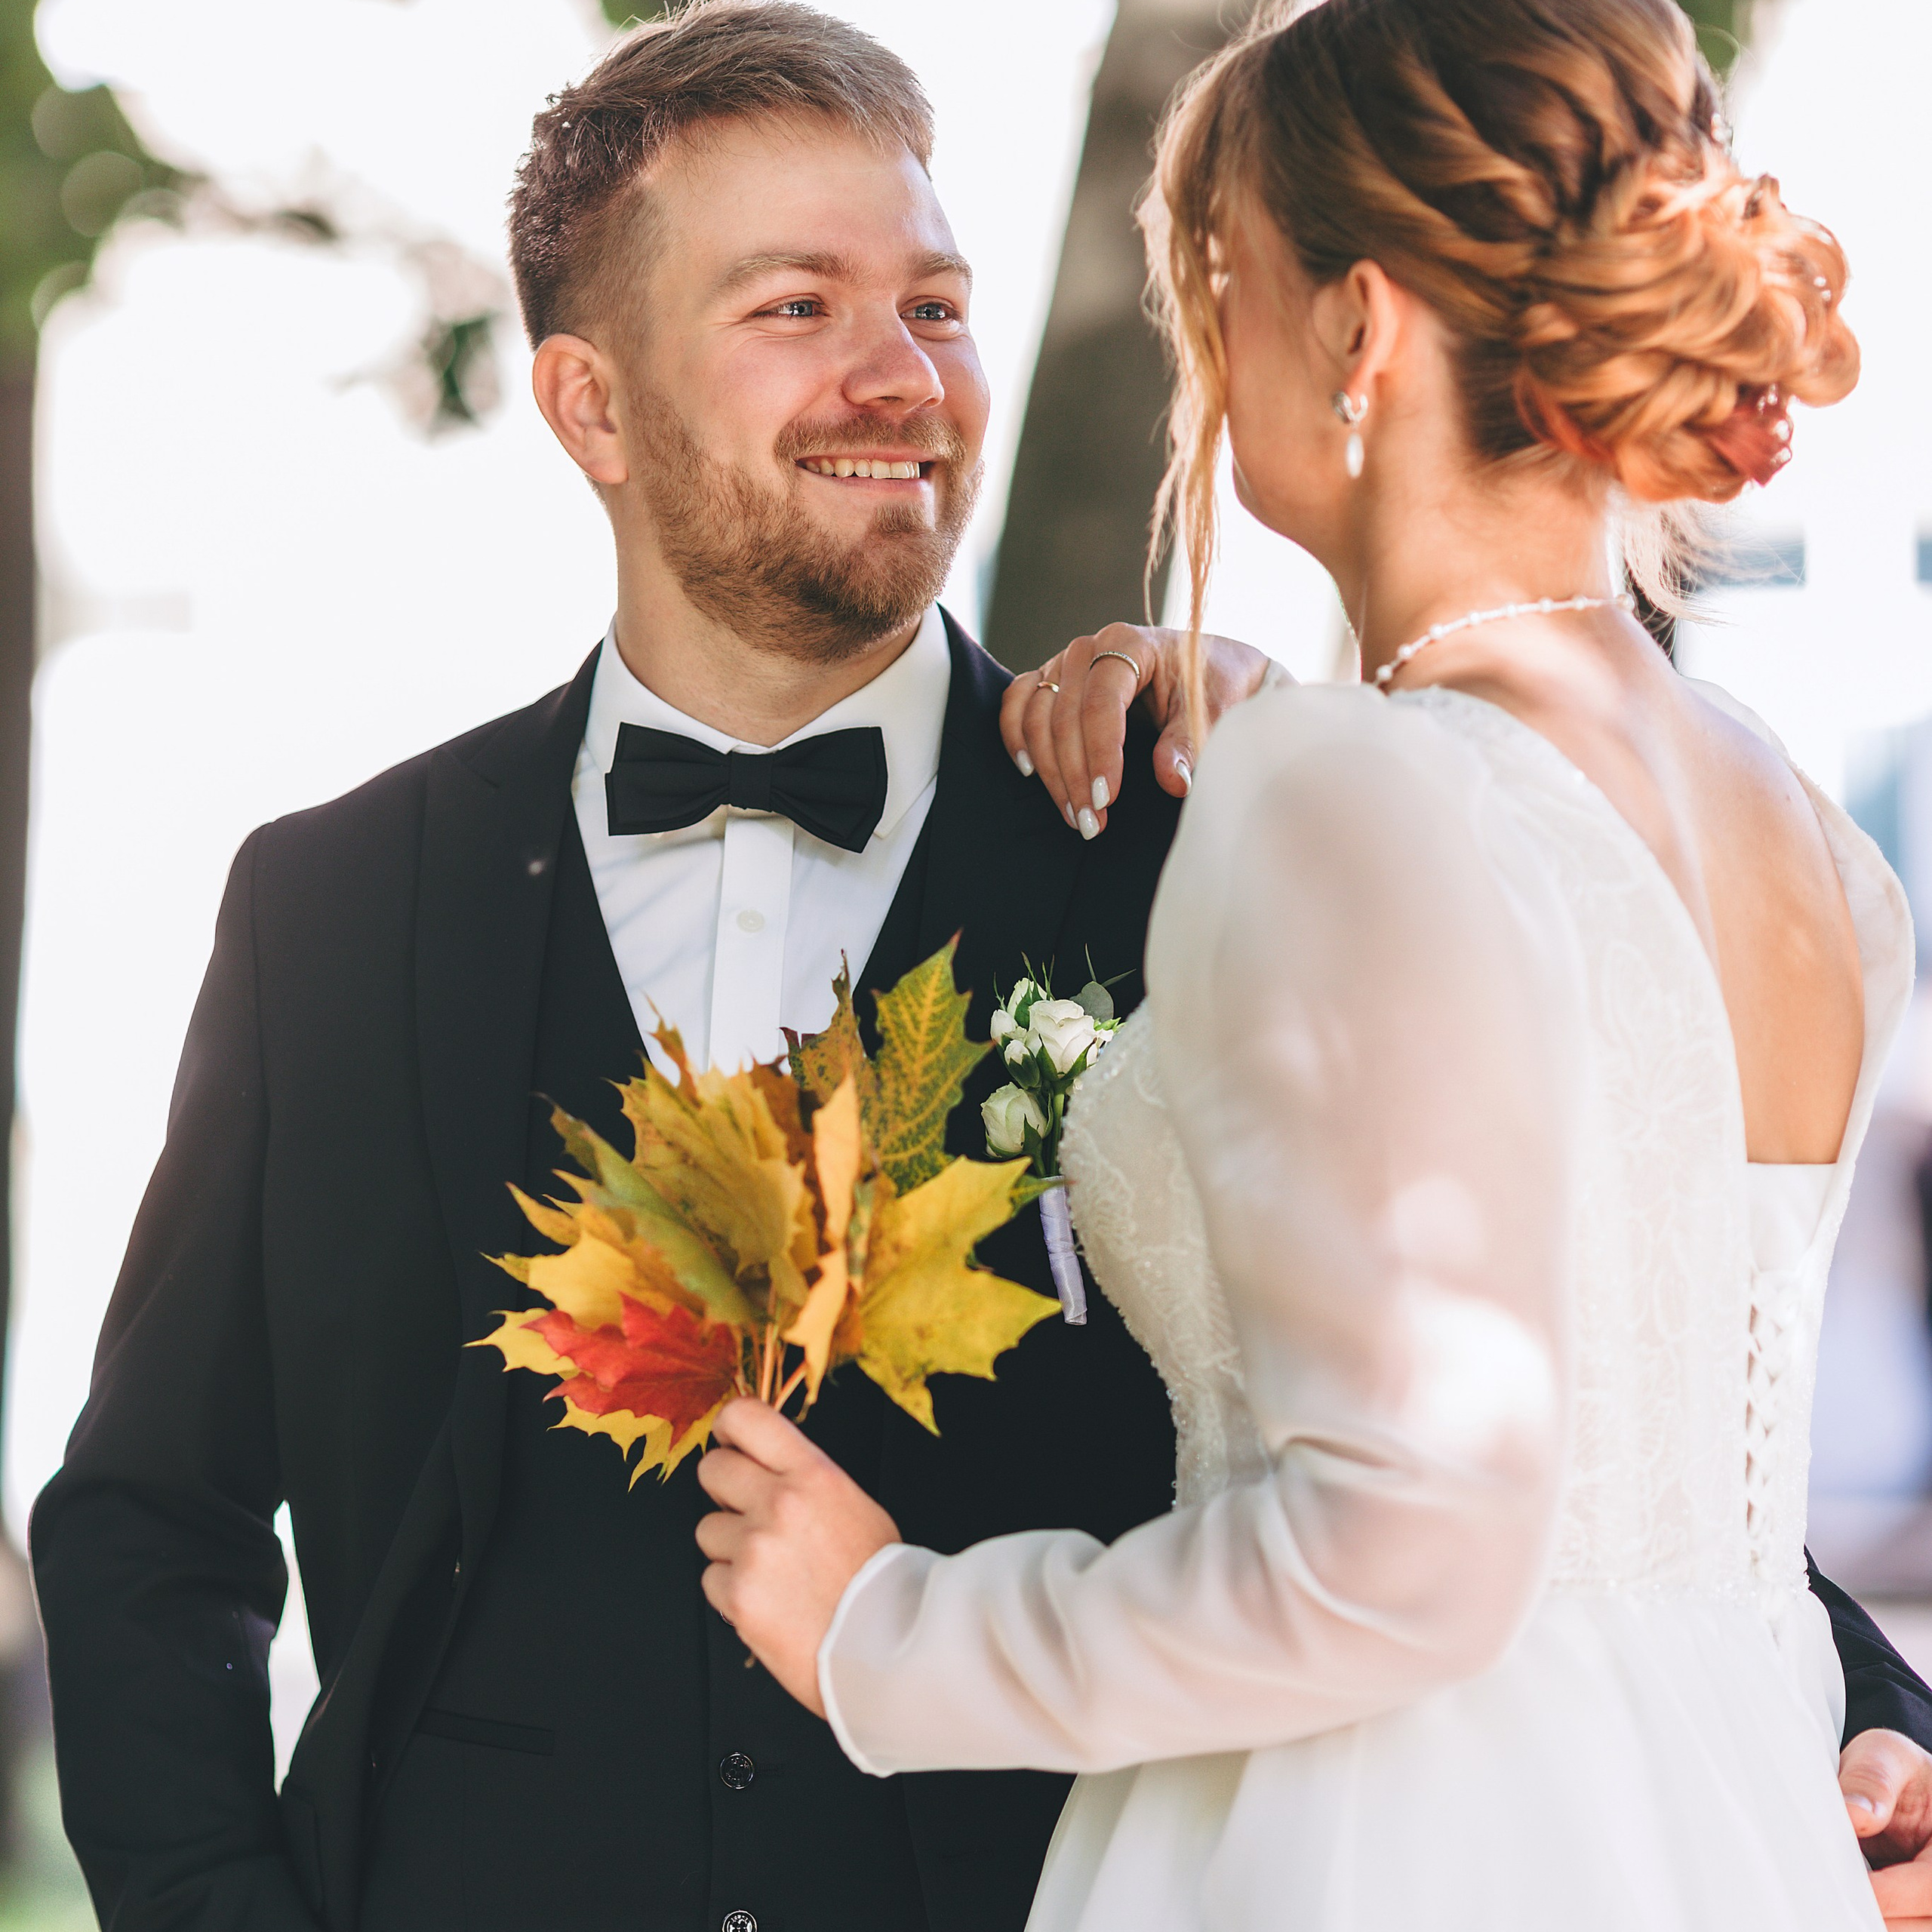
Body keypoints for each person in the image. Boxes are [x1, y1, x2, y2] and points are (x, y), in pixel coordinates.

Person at [24, 5, 1932, 1931]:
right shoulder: (337, 905)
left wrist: (1866, 1710)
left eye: (934, 303)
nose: (899, 374)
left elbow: (1553, 1379)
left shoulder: (1195, 812)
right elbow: (150, 1525)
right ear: (589, 403)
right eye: (796, 307)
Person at [686, 2, 1932, 1927]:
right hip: (1718, 1815)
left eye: (1219, 282)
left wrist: (890, 1628)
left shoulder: (1344, 785)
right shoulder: (1805, 839)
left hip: (1368, 1842)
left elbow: (1402, 1551)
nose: (1203, 354)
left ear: (1353, 326)